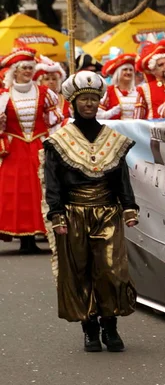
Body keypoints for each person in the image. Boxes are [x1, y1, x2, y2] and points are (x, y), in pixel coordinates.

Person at [43, 71, 138, 352]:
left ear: (99, 102)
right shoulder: (59, 141)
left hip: (107, 211)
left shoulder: (113, 139)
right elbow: (53, 181)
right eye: (83, 99)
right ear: (73, 102)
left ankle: (111, 326)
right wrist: (56, 214)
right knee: (79, 271)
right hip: (73, 213)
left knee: (111, 271)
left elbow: (122, 177)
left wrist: (129, 207)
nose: (88, 104)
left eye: (93, 99)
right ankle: (90, 328)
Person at [0, 46, 62, 253]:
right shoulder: (3, 95)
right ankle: (24, 238)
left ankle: (38, 234)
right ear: (14, 71)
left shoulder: (45, 93)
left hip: (39, 145)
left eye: (30, 67)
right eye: (23, 67)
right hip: (15, 148)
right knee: (18, 192)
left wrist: (54, 143)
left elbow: (55, 122)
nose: (28, 71)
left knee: (40, 190)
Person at [134, 40, 165, 119]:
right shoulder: (144, 89)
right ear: (153, 70)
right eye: (161, 65)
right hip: (154, 129)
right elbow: (137, 118)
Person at [98, 53, 138, 120]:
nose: (128, 72)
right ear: (118, 73)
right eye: (125, 69)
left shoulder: (138, 91)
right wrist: (112, 112)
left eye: (131, 70)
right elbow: (98, 116)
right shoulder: (108, 91)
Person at [35, 55, 71, 122]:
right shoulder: (35, 101)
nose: (51, 82)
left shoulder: (67, 99)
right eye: (47, 79)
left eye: (54, 79)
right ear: (39, 82)